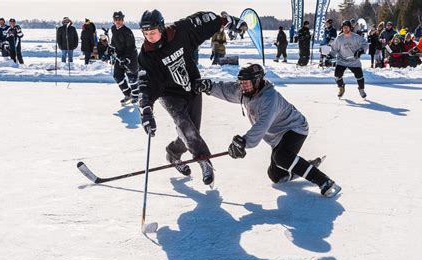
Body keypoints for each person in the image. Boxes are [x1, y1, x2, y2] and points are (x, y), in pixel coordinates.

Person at [193, 64, 341, 197]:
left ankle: (325, 181)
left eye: (246, 83)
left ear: (257, 81)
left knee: (281, 157)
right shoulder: (245, 91)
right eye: (241, 83)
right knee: (276, 176)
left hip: (295, 128)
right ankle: (306, 166)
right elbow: (227, 90)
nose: (242, 87)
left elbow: (262, 125)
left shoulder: (269, 98)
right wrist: (209, 87)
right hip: (277, 136)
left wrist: (244, 143)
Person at [137, 9, 245, 185]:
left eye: (153, 32)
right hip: (169, 95)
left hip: (192, 86)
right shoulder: (146, 56)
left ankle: (173, 153)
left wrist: (227, 21)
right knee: (186, 127)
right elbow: (145, 85)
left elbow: (202, 22)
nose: (149, 36)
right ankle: (204, 160)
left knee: (191, 131)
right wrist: (146, 109)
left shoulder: (179, 33)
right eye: (146, 33)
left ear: (162, 28)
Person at [329, 20, 369, 98]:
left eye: (347, 27)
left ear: (350, 28)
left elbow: (365, 44)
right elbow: (334, 48)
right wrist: (330, 56)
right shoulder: (339, 38)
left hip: (354, 61)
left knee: (359, 76)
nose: (345, 29)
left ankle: (361, 89)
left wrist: (361, 50)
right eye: (344, 28)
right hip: (342, 61)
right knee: (337, 76)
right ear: (342, 28)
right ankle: (341, 87)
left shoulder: (356, 37)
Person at [110, 11, 139, 105]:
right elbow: (114, 41)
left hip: (130, 57)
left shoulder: (127, 31)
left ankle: (136, 96)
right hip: (119, 57)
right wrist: (111, 48)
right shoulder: (113, 29)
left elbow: (131, 47)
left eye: (119, 19)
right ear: (113, 21)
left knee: (132, 77)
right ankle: (128, 94)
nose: (117, 21)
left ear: (123, 20)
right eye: (116, 19)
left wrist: (126, 58)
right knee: (117, 76)